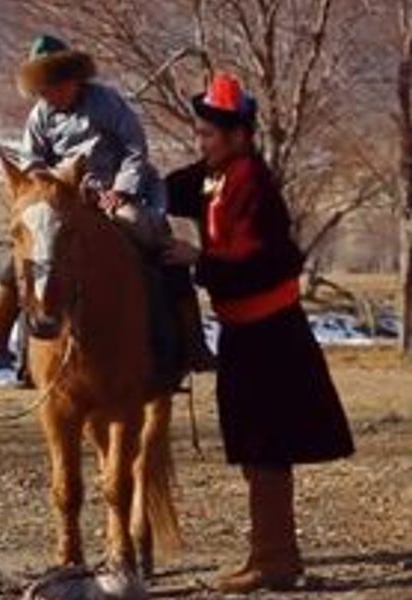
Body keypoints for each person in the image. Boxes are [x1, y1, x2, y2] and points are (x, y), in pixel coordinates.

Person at [164, 72, 355, 593]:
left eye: (208, 134)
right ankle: (271, 554)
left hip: (271, 336)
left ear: (237, 136)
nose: (200, 142)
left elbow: (258, 261)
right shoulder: (217, 175)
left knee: (266, 446)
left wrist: (199, 259)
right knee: (256, 447)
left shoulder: (253, 184)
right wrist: (123, 189)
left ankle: (274, 560)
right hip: (246, 334)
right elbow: (173, 189)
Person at [0, 34, 214, 384]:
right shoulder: (41, 114)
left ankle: (192, 342)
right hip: (63, 201)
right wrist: (51, 190)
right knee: (25, 253)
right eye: (42, 90)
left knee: (157, 242)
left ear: (73, 79)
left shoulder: (107, 102)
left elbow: (135, 149)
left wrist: (121, 190)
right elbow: (32, 163)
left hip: (115, 195)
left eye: (54, 86)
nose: (49, 96)